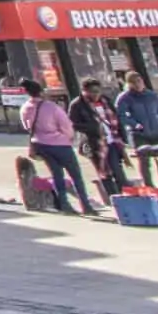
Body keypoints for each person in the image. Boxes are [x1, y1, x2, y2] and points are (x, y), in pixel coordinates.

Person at [19, 81, 94, 214]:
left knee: (57, 175)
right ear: (41, 92)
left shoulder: (25, 108)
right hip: (60, 144)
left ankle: (64, 204)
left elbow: (27, 127)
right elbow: (66, 126)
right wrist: (69, 138)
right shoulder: (52, 107)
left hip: (41, 145)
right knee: (75, 175)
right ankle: (85, 205)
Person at [69, 80, 131, 199]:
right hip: (94, 143)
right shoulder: (77, 105)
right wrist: (93, 127)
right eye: (92, 92)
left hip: (112, 141)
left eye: (98, 91)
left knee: (118, 172)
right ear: (85, 91)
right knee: (104, 173)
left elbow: (116, 118)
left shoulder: (105, 100)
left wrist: (123, 138)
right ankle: (114, 198)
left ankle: (127, 197)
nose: (96, 94)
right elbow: (72, 124)